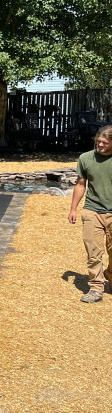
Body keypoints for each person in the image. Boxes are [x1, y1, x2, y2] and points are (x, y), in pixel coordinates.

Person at [68, 125, 112, 302]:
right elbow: (80, 185)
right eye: (98, 141)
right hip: (92, 210)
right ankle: (96, 288)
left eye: (104, 142)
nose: (100, 145)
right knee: (93, 252)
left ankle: (109, 275)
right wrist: (73, 209)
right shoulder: (85, 158)